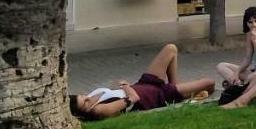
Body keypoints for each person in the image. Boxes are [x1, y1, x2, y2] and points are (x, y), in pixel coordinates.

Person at [70, 44, 214, 120]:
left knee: (171, 49)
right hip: (155, 96)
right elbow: (133, 99)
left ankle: (176, 88)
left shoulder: (91, 99)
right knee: (210, 82)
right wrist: (126, 86)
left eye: (84, 96)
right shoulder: (98, 110)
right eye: (85, 103)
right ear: (82, 113)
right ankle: (175, 93)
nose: (88, 98)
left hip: (143, 85)